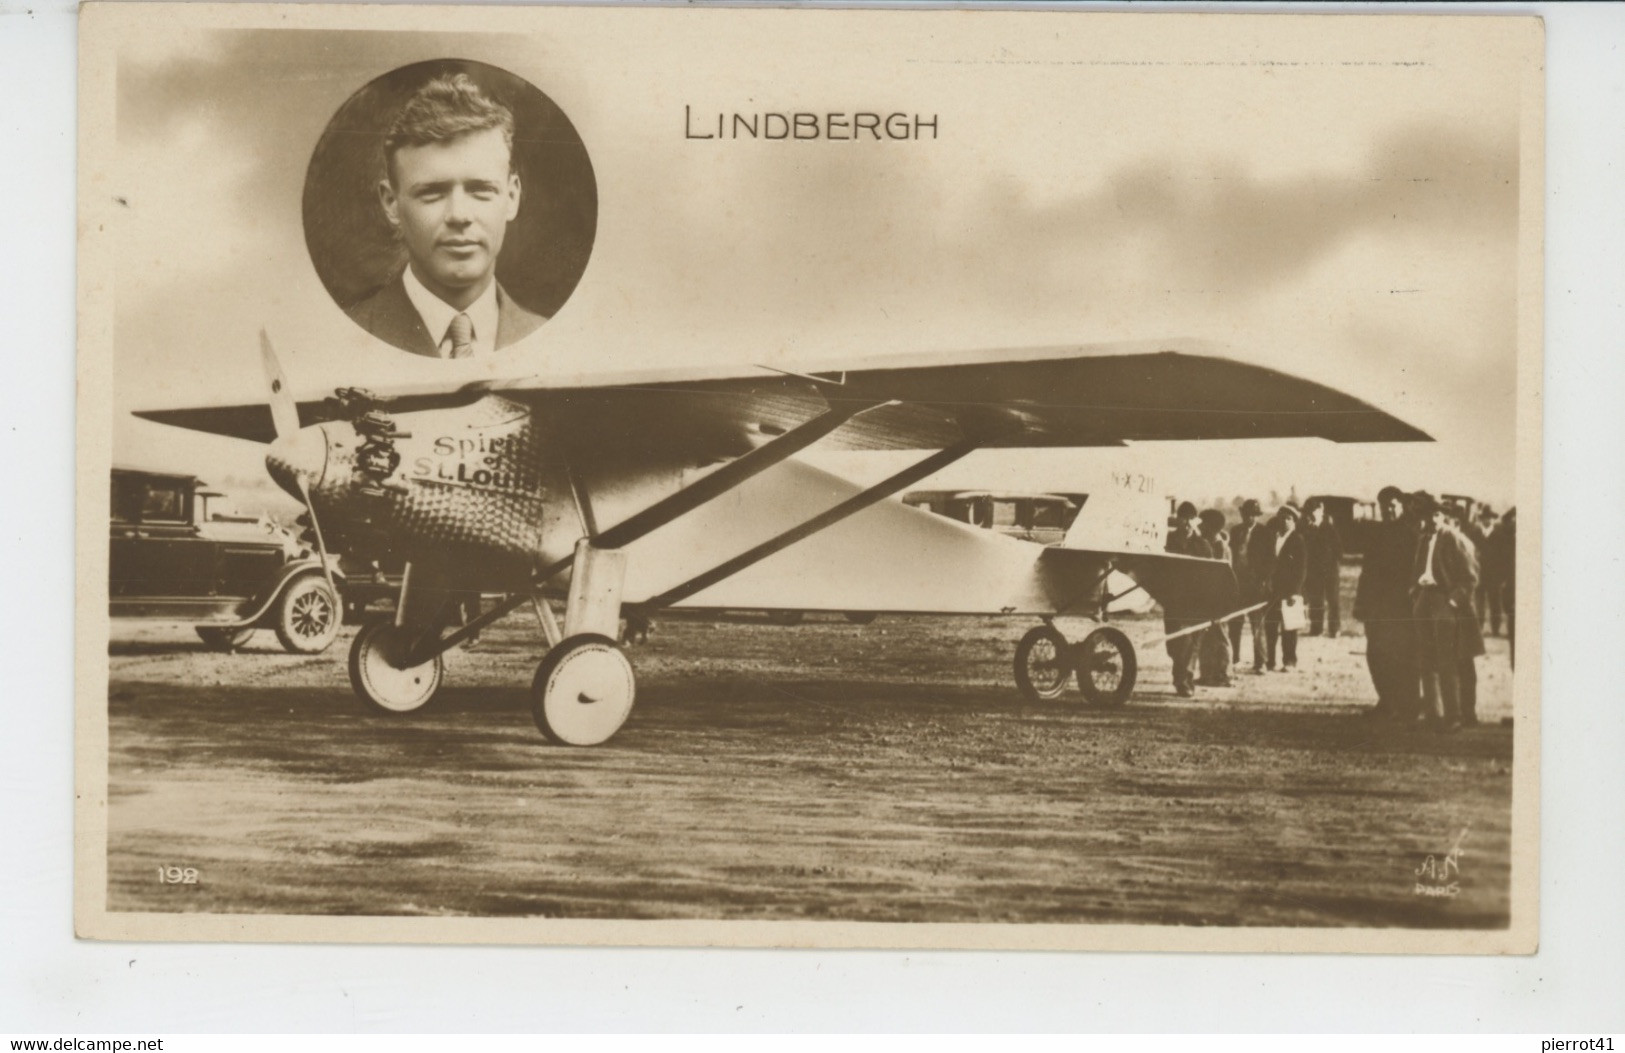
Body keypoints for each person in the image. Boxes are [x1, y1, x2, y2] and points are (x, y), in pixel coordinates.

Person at [347, 73, 548, 358]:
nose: (459, 215)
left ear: (512, 197)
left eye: (480, 190)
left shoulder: (555, 340)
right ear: (392, 203)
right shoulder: (342, 338)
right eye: (432, 193)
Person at [1409, 492, 1483, 732]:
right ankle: (1433, 714)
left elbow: (1470, 578)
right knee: (1425, 659)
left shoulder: (1454, 538)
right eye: (1425, 516)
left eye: (1434, 515)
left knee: (1447, 660)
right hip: (1425, 599)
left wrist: (1452, 602)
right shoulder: (1424, 538)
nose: (1429, 521)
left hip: (1444, 601)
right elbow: (1419, 568)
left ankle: (1454, 716)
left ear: (1441, 515)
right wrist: (1415, 592)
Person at [1353, 486, 1420, 722]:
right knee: (1376, 654)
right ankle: (1387, 701)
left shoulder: (1412, 534)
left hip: (1402, 606)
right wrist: (1360, 603)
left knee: (1403, 654)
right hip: (1376, 605)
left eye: (1392, 506)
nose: (1388, 510)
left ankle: (1410, 706)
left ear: (1401, 506)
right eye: (1384, 506)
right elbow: (1367, 571)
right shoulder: (1376, 534)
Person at [1251, 504, 1306, 671]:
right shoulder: (1272, 537)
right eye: (1282, 517)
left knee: (1290, 628)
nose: (1284, 521)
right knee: (1270, 627)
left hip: (1289, 591)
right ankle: (1270, 661)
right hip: (1272, 590)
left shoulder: (1297, 540)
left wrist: (1294, 592)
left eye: (1288, 518)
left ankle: (1289, 661)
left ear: (1294, 521)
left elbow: (1301, 569)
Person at [1163, 501, 1210, 696]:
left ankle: (1184, 681)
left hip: (1195, 600)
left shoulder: (1202, 544)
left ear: (1195, 521)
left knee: (1190, 642)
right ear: (1179, 520)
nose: (1187, 523)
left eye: (1191, 519)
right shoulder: (1168, 540)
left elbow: (1212, 572)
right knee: (1174, 643)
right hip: (1173, 599)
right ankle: (1180, 676)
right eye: (1184, 518)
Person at [1227, 498, 1267, 673]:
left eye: (1253, 515)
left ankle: (1261, 662)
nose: (1249, 518)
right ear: (1242, 514)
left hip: (1255, 587)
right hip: (1237, 584)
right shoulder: (1235, 532)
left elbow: (1270, 561)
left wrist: (1262, 580)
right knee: (1235, 623)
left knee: (1257, 624)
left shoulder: (1265, 533)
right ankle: (1234, 658)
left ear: (1257, 516)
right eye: (1246, 514)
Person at [1196, 509, 1234, 687]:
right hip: (1205, 598)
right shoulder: (1207, 544)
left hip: (1219, 600)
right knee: (1206, 637)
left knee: (1220, 636)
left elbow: (1224, 577)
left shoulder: (1221, 547)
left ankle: (1225, 675)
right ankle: (1207, 674)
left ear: (1211, 526)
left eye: (1203, 523)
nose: (1200, 526)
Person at [1301, 498, 1344, 636]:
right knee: (1316, 600)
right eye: (1308, 512)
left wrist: (1333, 564)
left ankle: (1334, 628)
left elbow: (1339, 550)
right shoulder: (1306, 530)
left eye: (1313, 511)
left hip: (1330, 571)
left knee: (1333, 600)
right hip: (1314, 571)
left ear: (1321, 511)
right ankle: (1316, 628)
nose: (1311, 515)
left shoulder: (1329, 528)